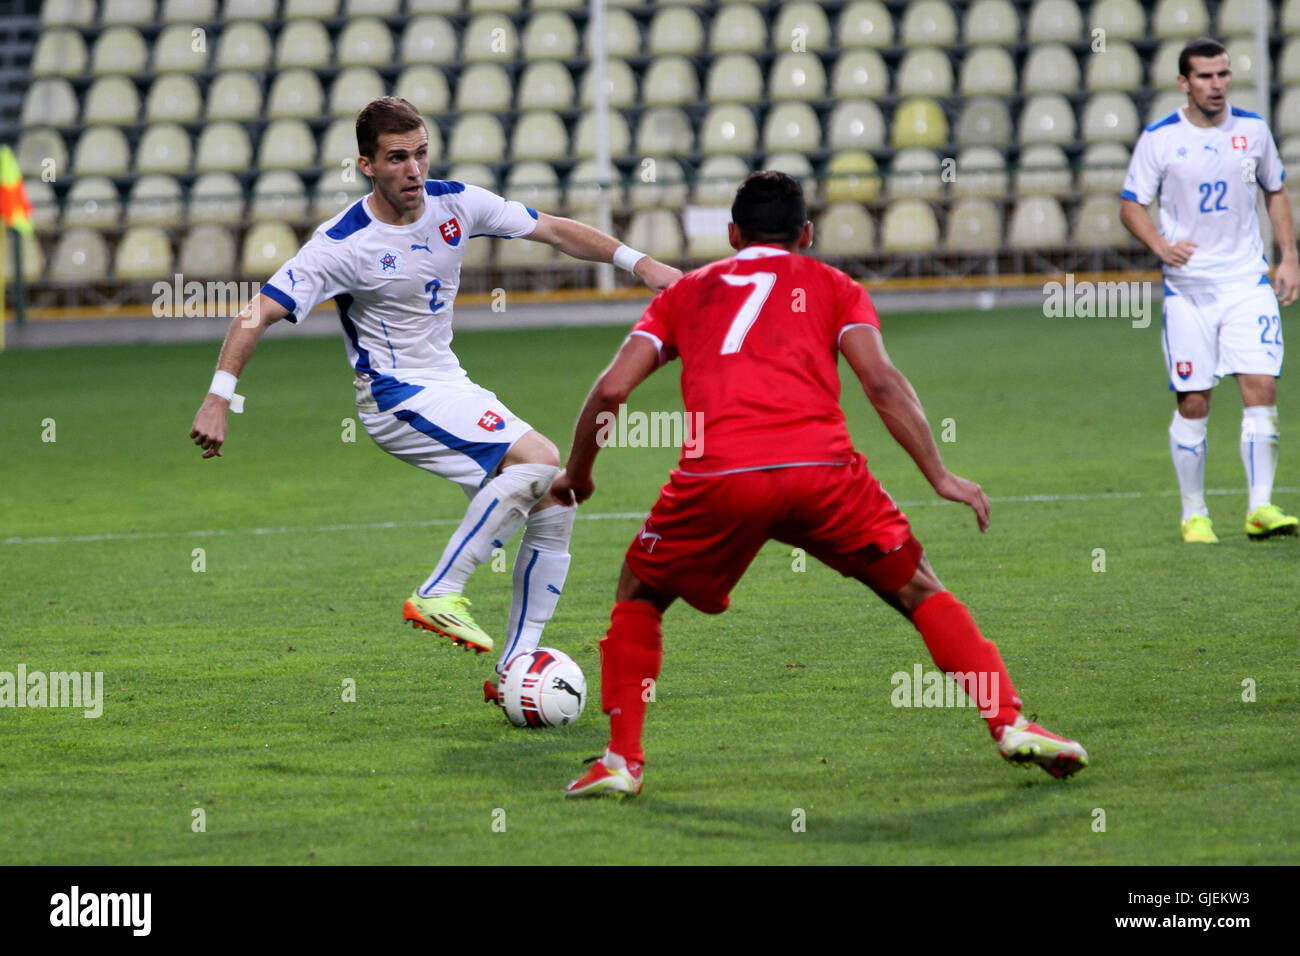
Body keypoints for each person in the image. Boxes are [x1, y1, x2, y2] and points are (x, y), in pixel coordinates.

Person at [551, 172, 1088, 798]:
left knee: (638, 592)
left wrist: (579, 473)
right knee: (918, 588)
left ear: (732, 234)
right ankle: (1009, 721)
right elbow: (881, 382)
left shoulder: (686, 293)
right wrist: (939, 475)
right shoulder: (835, 286)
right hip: (824, 473)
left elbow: (612, 388)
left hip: (720, 477)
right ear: (806, 233)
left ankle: (621, 760)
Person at [189, 97, 681, 680]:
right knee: (544, 460)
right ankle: (439, 590)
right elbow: (256, 313)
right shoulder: (342, 243)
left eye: (421, 153)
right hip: (394, 398)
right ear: (366, 165)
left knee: (556, 495)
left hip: (449, 383)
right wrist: (221, 396)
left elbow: (551, 229)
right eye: (397, 158)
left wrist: (641, 264)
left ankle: (517, 667)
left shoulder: (456, 203)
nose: (415, 170)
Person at [1120, 37, 1299, 543]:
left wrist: (1289, 257)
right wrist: (1159, 243)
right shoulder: (1159, 139)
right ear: (1184, 83)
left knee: (1261, 389)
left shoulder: (1253, 131)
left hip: (1246, 282)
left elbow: (1276, 190)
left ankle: (1260, 507)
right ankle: (1194, 513)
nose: (1216, 85)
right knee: (1194, 400)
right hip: (1190, 290)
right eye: (1205, 76)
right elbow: (1131, 204)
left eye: (1222, 75)